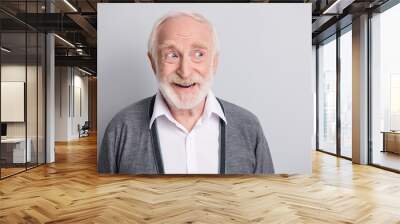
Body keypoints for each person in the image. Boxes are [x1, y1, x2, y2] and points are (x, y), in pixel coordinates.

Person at [98, 11, 274, 174]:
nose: (185, 71)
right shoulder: (121, 129)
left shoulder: (249, 127)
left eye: (198, 54)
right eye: (171, 55)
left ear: (214, 62)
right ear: (153, 63)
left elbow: (267, 201)